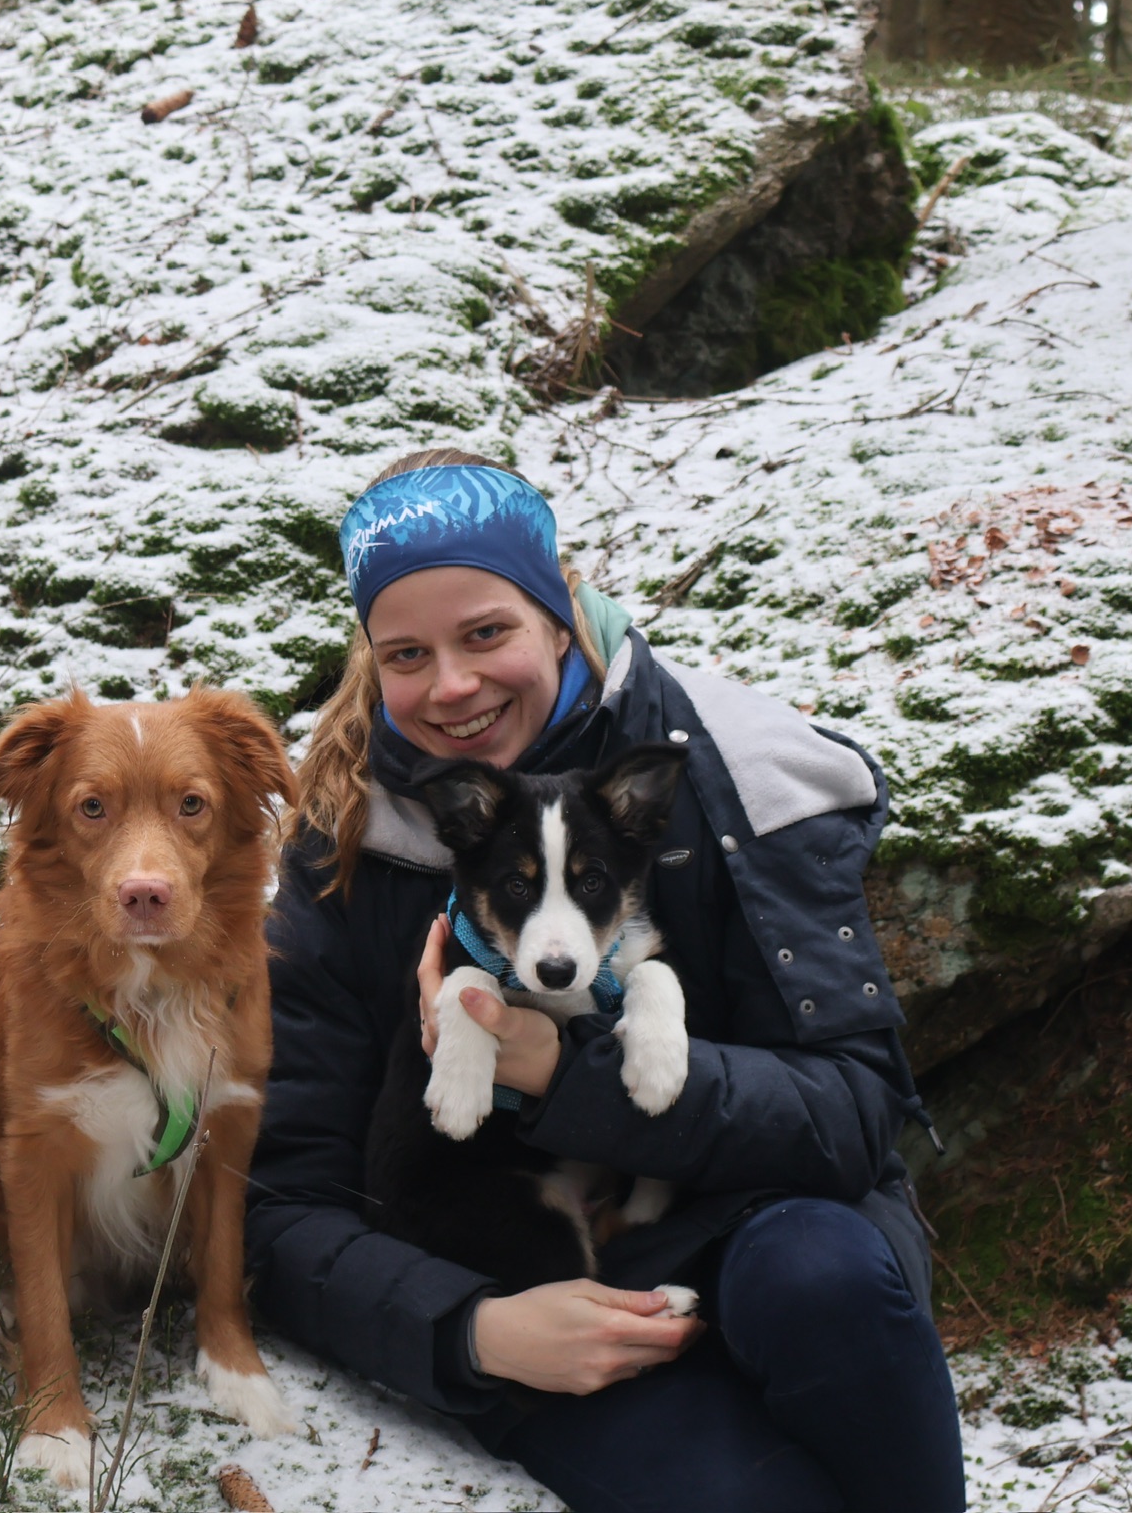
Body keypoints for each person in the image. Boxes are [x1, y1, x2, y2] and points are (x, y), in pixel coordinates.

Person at [246, 449, 967, 1512]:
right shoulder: (349, 844)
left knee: (821, 1280)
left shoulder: (734, 771)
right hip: (524, 1284)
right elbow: (282, 1204)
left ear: (558, 610)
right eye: (407, 652)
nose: (452, 684)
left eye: (487, 632)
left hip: (767, 1232)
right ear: (372, 659)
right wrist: (475, 1332)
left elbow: (857, 1111)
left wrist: (562, 1074)